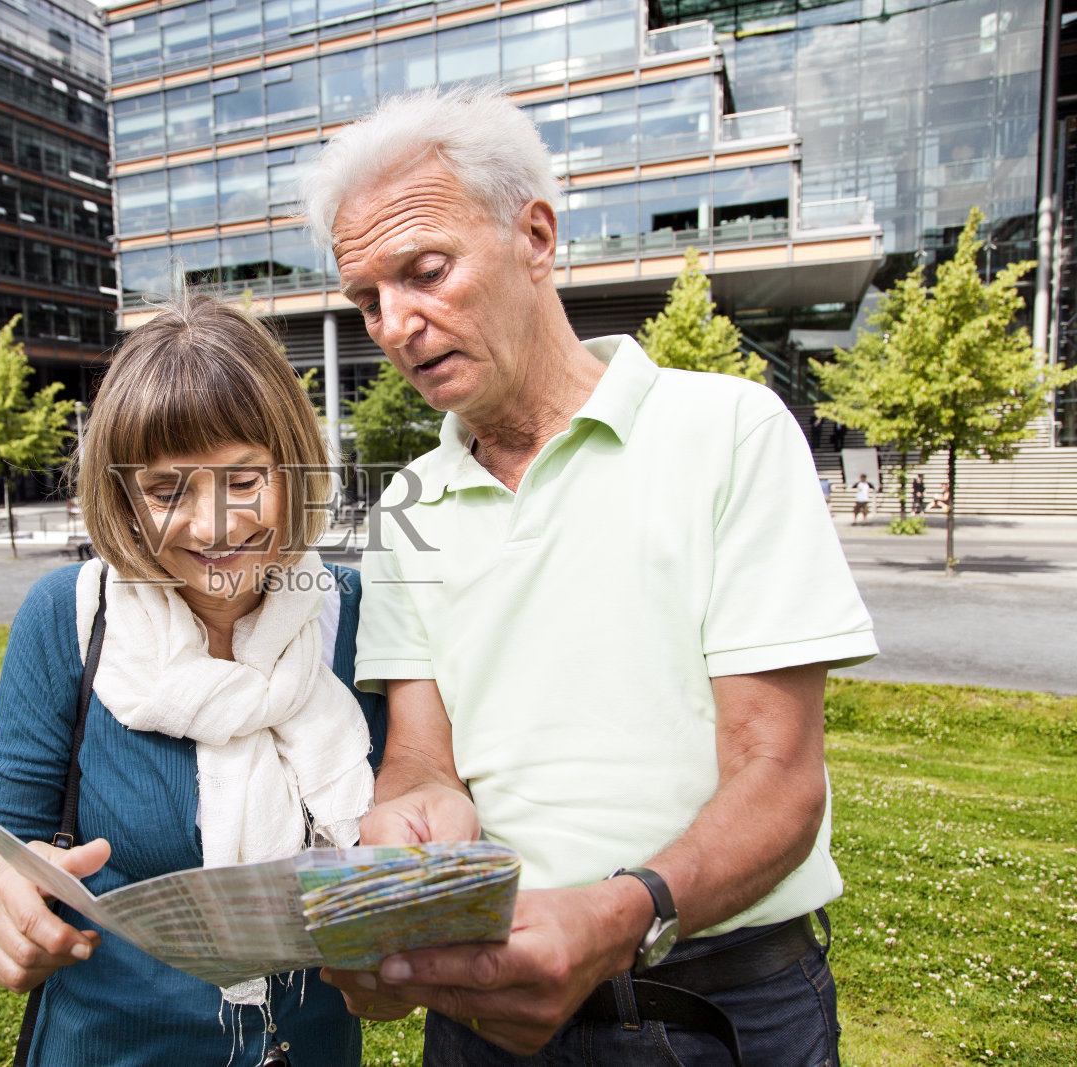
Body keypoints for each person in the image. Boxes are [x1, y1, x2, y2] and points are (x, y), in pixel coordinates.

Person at [303, 87, 878, 1066]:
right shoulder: (407, 500)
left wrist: (623, 911)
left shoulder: (728, 433)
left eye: (425, 272)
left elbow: (781, 778)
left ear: (534, 236)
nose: (395, 323)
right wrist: (406, 831)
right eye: (367, 298)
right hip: (485, 1009)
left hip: (719, 1006)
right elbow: (420, 758)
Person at [0, 295, 387, 1066]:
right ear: (124, 496)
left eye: (245, 479)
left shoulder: (352, 619)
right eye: (166, 490)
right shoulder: (69, 616)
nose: (214, 527)